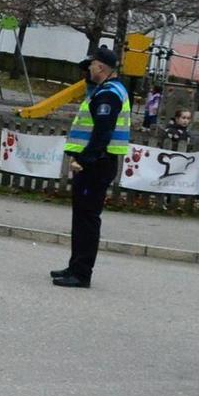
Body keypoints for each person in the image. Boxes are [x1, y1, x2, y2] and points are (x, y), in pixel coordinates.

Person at [52, 45, 131, 288]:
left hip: (96, 164)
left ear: (101, 67)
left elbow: (102, 133)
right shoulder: (105, 89)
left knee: (87, 218)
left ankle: (81, 273)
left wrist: (83, 160)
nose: (87, 71)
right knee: (82, 217)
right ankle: (75, 265)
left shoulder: (108, 94)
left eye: (91, 66)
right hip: (98, 163)